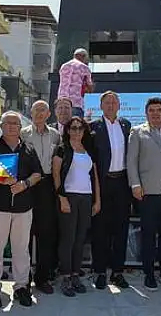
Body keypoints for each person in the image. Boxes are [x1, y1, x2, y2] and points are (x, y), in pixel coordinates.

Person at [0, 111, 46, 309]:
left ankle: (21, 286)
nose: (11, 126)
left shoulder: (28, 148)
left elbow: (37, 174)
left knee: (21, 249)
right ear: (1, 126)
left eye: (15, 124)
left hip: (23, 206)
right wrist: (1, 178)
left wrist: (25, 184)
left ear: (20, 128)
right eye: (7, 123)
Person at [127, 97, 161, 291]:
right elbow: (131, 161)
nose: (156, 113)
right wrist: (135, 185)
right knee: (148, 233)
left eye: (159, 110)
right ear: (146, 113)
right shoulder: (137, 132)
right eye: (152, 110)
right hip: (148, 191)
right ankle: (149, 273)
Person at [89, 91, 132, 290]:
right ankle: (99, 272)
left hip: (122, 182)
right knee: (101, 229)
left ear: (119, 105)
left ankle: (117, 272)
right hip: (102, 183)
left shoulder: (126, 126)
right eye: (107, 102)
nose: (111, 105)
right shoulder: (93, 128)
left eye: (114, 102)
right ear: (101, 105)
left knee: (121, 229)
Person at [53, 117, 100, 296]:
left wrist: (98, 200)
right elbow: (56, 174)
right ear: (67, 130)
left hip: (86, 198)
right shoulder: (62, 149)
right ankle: (65, 276)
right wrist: (61, 197)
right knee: (68, 239)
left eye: (80, 128)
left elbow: (94, 177)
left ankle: (75, 275)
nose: (77, 131)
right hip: (69, 197)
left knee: (80, 239)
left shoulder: (88, 150)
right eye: (73, 128)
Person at [22, 100, 62, 294]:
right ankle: (24, 277)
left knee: (46, 233)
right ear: (31, 113)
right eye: (36, 110)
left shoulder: (56, 134)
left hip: (46, 185)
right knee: (25, 234)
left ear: (48, 114)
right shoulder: (23, 134)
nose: (39, 113)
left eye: (43, 110)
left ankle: (42, 277)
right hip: (28, 185)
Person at [57, 50, 93, 118]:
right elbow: (89, 86)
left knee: (63, 126)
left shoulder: (64, 66)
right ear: (83, 57)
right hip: (76, 103)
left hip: (61, 101)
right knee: (76, 126)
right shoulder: (84, 68)